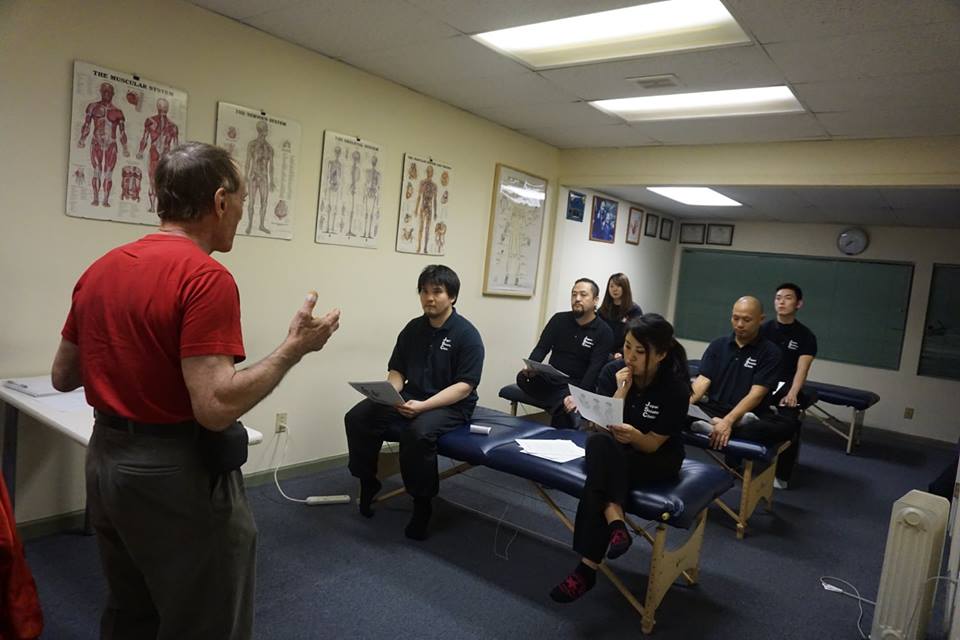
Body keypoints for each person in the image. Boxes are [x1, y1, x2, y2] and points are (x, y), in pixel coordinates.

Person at [50, 142, 341, 640]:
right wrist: (294, 348)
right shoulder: (206, 278)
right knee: (206, 619)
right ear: (221, 201)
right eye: (243, 201)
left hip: (105, 463)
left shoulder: (101, 269)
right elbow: (215, 406)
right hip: (173, 473)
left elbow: (63, 374)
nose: (241, 214)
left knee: (130, 609)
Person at [549, 314, 690, 603]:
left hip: (657, 457)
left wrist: (636, 436)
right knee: (597, 442)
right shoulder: (613, 371)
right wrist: (621, 391)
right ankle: (615, 523)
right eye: (627, 347)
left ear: (661, 354)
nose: (630, 356)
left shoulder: (675, 388)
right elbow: (601, 427)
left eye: (640, 351)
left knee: (600, 476)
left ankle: (587, 568)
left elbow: (652, 444)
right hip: (616, 450)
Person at [344, 265, 484, 540]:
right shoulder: (413, 329)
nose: (429, 298)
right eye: (424, 291)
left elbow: (463, 387)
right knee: (358, 417)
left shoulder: (467, 335)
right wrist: (391, 394)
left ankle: (422, 503)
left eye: (437, 292)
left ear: (452, 296)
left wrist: (423, 406)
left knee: (417, 433)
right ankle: (368, 481)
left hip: (452, 405)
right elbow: (397, 370)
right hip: (412, 396)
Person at [688, 296, 798, 468]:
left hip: (751, 413)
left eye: (746, 320)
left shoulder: (771, 352)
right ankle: (723, 425)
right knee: (675, 414)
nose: (739, 324)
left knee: (787, 427)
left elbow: (756, 394)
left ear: (761, 319)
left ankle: (721, 426)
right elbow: (703, 381)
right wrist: (686, 405)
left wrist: (728, 421)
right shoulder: (718, 345)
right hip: (714, 409)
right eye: (735, 318)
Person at [516, 278, 613, 429]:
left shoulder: (604, 331)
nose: (577, 299)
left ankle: (562, 404)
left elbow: (594, 369)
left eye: (583, 295)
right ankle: (559, 402)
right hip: (553, 377)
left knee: (567, 400)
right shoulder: (559, 320)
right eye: (574, 294)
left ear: (595, 300)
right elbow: (542, 348)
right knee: (523, 378)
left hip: (577, 383)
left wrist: (578, 396)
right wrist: (531, 366)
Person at [760, 282, 817, 488]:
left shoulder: (806, 336)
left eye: (787, 298)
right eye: (778, 298)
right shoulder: (763, 330)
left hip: (787, 384)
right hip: (762, 382)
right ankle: (735, 463)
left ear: (798, 304)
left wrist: (793, 393)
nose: (781, 302)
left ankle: (782, 475)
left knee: (790, 424)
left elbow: (802, 369)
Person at [598, 273, 643, 358]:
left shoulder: (634, 310)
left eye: (618, 286)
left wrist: (621, 352)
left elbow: (636, 336)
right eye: (611, 286)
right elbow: (598, 333)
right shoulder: (603, 310)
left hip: (624, 353)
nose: (614, 289)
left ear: (625, 287)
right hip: (604, 351)